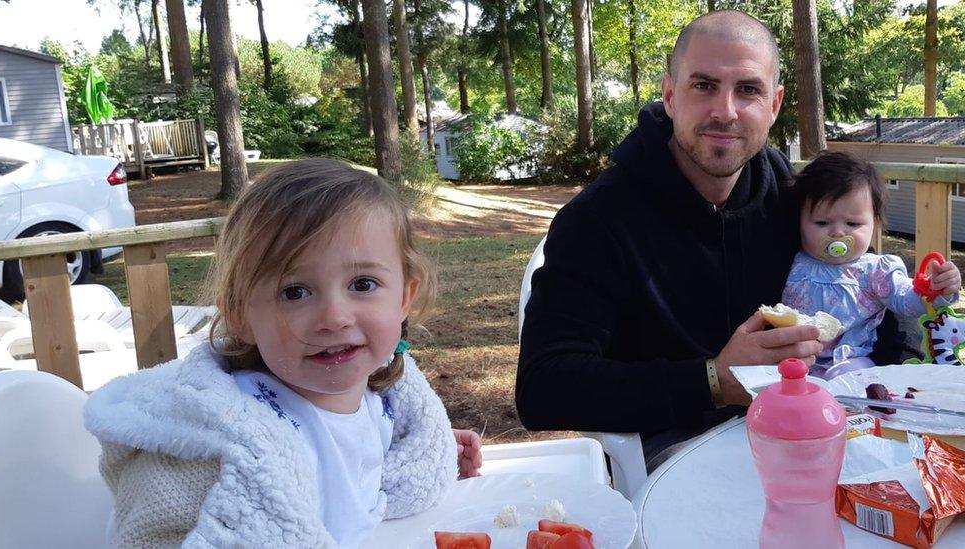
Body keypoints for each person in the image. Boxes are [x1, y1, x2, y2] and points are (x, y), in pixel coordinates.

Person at [84, 158, 480, 548]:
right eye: (295, 292)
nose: (335, 317)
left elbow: (362, 460)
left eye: (362, 284)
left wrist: (435, 449)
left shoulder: (384, 403)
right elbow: (147, 529)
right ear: (240, 316)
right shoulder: (221, 443)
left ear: (404, 298)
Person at [516, 10, 825, 465]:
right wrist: (714, 381)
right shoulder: (598, 219)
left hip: (793, 427)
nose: (725, 111)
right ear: (670, 96)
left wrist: (923, 294)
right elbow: (543, 388)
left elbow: (854, 280)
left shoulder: (786, 190)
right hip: (666, 451)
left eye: (748, 89)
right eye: (704, 86)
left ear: (775, 105)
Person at [781, 152, 961, 379]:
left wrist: (937, 287)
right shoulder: (790, 262)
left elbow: (908, 300)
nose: (838, 232)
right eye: (822, 222)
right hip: (797, 362)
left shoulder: (875, 271)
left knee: (849, 378)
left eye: (853, 223)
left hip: (850, 361)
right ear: (799, 220)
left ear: (874, 223)